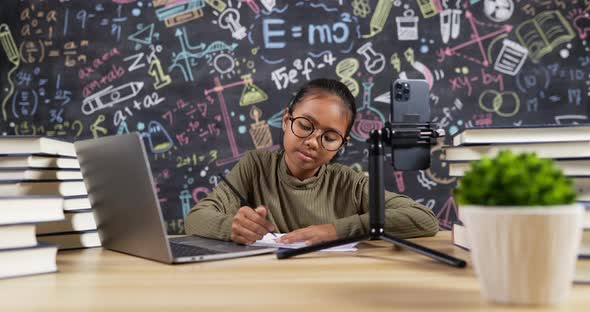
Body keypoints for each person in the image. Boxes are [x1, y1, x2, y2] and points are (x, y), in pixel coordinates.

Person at [185, 78, 439, 245]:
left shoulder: (348, 184)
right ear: (286, 120)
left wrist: (335, 230)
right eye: (305, 125)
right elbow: (195, 219)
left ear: (342, 143)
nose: (313, 142)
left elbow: (423, 219)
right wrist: (230, 226)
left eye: (329, 137)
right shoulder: (255, 166)